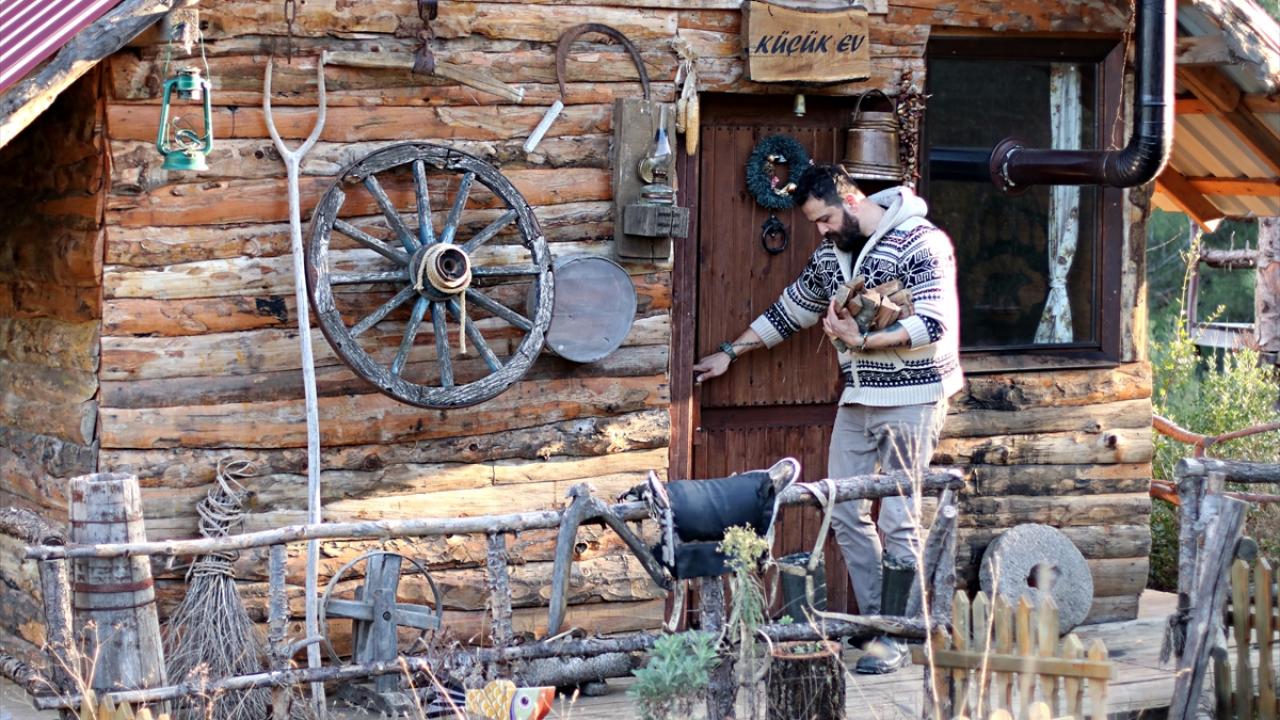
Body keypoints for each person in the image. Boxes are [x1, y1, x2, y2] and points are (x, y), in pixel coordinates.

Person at [692, 164, 962, 674]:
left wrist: (864, 341)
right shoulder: (831, 255)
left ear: (853, 200)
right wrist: (731, 351)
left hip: (914, 397)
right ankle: (877, 625)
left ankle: (895, 638)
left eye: (824, 219)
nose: (820, 231)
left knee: (901, 519)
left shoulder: (922, 242)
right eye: (815, 224)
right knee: (842, 507)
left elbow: (933, 323)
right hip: (858, 397)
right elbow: (792, 308)